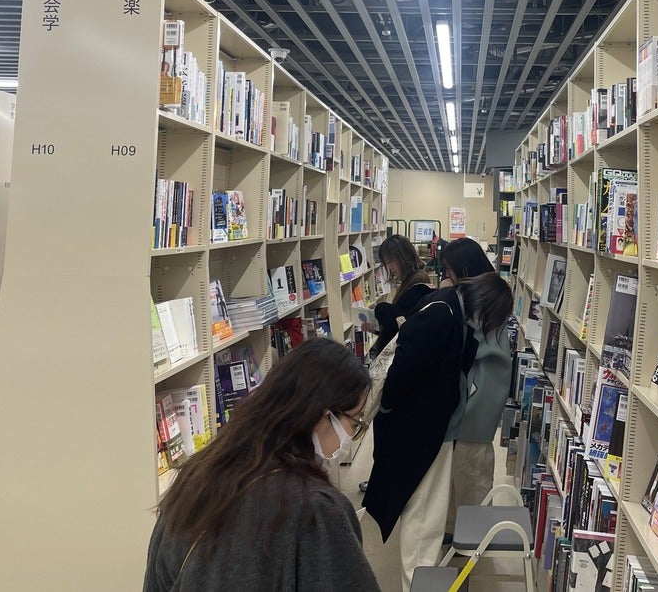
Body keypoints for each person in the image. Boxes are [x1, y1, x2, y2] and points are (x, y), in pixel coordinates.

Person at [143, 338, 379, 592]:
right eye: (355, 423)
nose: (352, 435)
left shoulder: (196, 476)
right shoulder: (317, 508)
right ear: (325, 416)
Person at [362, 268, 467, 592]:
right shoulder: (446, 311)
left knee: (423, 511)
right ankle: (418, 583)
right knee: (423, 512)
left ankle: (419, 581)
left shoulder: (437, 309)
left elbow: (405, 370)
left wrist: (389, 404)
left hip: (420, 424)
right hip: (425, 426)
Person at [440, 238, 515, 524]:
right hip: (482, 398)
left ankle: (469, 536)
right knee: (471, 472)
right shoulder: (491, 293)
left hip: (474, 403)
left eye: (449, 269)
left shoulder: (475, 300)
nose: (447, 275)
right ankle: (462, 531)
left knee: (469, 476)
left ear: (463, 267)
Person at [369, 233, 433, 356]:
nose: (389, 267)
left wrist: (382, 311)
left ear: (403, 257)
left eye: (390, 261)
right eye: (386, 263)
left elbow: (405, 324)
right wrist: (377, 327)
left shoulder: (418, 281)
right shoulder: (410, 279)